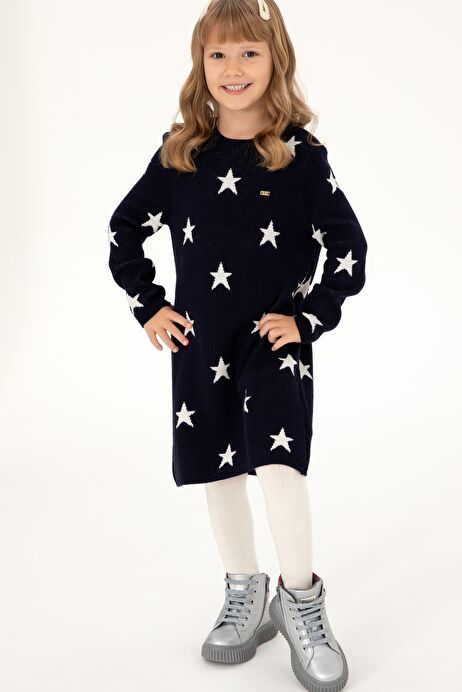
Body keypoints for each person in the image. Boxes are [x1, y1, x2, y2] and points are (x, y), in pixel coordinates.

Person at [107, 1, 367, 689]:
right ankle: (244, 590)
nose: (233, 67)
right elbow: (123, 229)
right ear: (200, 63)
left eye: (249, 52)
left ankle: (300, 599)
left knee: (279, 464)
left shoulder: (301, 158)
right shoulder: (180, 155)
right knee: (217, 469)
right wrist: (149, 305)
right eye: (218, 53)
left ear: (276, 60)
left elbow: (348, 248)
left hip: (273, 346)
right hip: (201, 344)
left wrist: (309, 318)